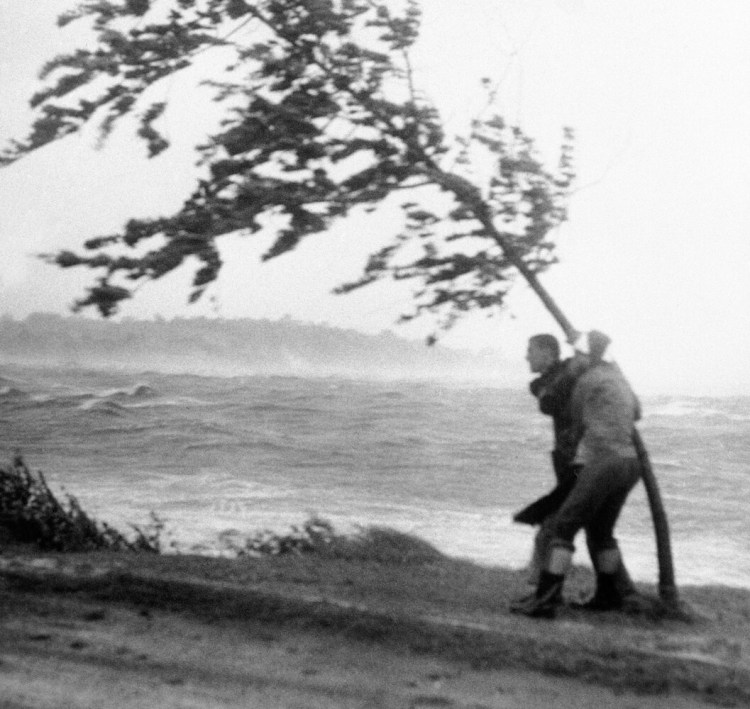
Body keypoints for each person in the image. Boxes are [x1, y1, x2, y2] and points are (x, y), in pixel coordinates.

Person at [512, 331, 642, 618]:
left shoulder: (585, 381)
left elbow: (565, 411)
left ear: (584, 357)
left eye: (578, 357)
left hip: (601, 462)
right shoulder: (617, 378)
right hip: (631, 464)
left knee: (564, 527)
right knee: (601, 531)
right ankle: (609, 596)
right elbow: (637, 412)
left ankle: (545, 600)